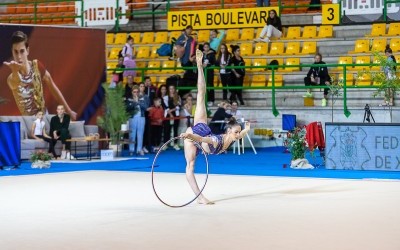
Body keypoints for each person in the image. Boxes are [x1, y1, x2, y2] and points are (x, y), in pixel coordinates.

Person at [180, 49, 251, 205]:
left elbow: (242, 133)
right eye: (236, 132)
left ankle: (199, 66)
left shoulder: (232, 138)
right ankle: (199, 66)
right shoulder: (217, 140)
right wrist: (188, 136)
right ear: (228, 131)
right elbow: (201, 138)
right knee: (201, 94)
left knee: (201, 97)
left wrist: (246, 129)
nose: (238, 135)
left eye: (238, 133)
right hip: (195, 134)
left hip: (202, 131)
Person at [3, 31, 77, 120]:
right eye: (16, 52)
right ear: (12, 52)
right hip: (29, 123)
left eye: (22, 51)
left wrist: (69, 111)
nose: (19, 56)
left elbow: (52, 86)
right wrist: (15, 71)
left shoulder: (37, 66)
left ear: (27, 51)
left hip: (45, 117)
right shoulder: (11, 78)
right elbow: (16, 81)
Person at [126, 84, 150, 156]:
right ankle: (131, 149)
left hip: (141, 117)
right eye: (134, 92)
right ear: (132, 92)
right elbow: (128, 108)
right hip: (132, 118)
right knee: (132, 134)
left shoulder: (142, 98)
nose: (136, 93)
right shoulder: (129, 99)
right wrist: (134, 102)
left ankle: (139, 149)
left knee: (140, 134)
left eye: (137, 92)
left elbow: (145, 107)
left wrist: (138, 102)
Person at [163, 84, 182, 150]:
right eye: (170, 89)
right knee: (166, 130)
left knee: (175, 130)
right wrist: (170, 114)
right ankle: (166, 144)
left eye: (172, 88)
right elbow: (165, 107)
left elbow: (179, 106)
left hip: (176, 115)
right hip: (168, 116)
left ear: (174, 89)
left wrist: (173, 110)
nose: (171, 90)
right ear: (169, 90)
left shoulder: (178, 97)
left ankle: (175, 144)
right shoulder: (165, 97)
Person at [202, 42, 216, 106]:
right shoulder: (202, 54)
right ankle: (206, 99)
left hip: (210, 71)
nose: (206, 48)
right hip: (204, 71)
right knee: (205, 85)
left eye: (207, 47)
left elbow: (214, 62)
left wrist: (208, 64)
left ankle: (211, 100)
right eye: (205, 47)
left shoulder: (212, 54)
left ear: (209, 47)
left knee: (210, 85)